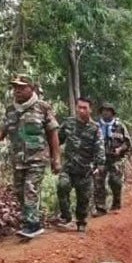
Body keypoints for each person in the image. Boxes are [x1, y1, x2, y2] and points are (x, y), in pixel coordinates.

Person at [0, 74, 61, 239]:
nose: (17, 91)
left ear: (32, 88)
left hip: (37, 158)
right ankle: (32, 219)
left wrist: (56, 159)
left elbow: (53, 133)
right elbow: (1, 131)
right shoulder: (11, 110)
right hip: (18, 160)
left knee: (30, 188)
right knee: (19, 191)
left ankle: (33, 225)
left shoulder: (42, 107)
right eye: (15, 87)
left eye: (22, 87)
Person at [57, 97, 104, 232]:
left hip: (85, 170)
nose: (81, 110)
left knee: (83, 199)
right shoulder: (68, 123)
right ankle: (66, 217)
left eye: (84, 108)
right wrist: (53, 156)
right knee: (62, 186)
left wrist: (99, 165)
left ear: (90, 110)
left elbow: (99, 148)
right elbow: (57, 140)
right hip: (68, 167)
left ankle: (81, 222)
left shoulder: (95, 128)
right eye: (79, 107)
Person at [94, 104, 132, 215]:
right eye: (103, 111)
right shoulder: (96, 126)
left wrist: (120, 149)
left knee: (115, 181)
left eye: (108, 111)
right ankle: (100, 208)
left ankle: (116, 203)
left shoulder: (120, 126)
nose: (105, 113)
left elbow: (128, 142)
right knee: (98, 181)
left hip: (116, 159)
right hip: (100, 159)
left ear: (112, 113)